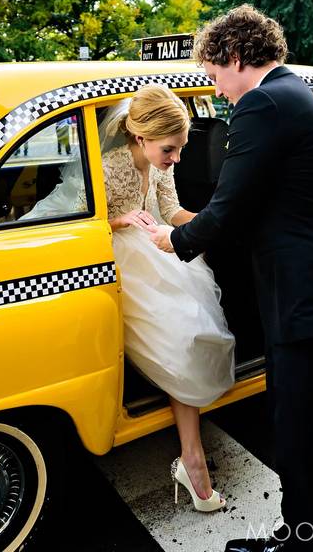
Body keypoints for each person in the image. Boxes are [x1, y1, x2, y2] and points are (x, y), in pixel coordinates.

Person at [148, 5, 313, 551]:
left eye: (214, 73)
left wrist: (173, 240)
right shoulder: (294, 94)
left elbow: (229, 206)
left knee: (303, 447)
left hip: (309, 302)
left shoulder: (263, 103)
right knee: (301, 440)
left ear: (235, 56)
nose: (216, 88)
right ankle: (300, 537)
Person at [103, 84, 234, 513]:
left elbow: (172, 209)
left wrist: (213, 223)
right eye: (170, 149)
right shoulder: (107, 167)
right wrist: (121, 219)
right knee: (182, 334)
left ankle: (192, 460)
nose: (176, 158)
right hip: (118, 263)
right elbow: (77, 219)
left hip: (162, 250)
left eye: (180, 149)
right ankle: (194, 463)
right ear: (140, 137)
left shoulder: (161, 165)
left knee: (195, 328)